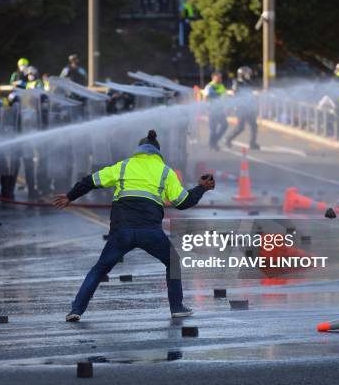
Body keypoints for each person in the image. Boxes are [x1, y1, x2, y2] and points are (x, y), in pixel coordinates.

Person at [53, 130, 215, 322]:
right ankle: (177, 307)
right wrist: (201, 188)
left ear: (139, 150)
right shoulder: (165, 171)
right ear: (157, 152)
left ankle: (76, 310)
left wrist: (70, 196)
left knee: (99, 269)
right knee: (173, 263)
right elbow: (182, 202)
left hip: (122, 231)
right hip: (150, 231)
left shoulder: (124, 166)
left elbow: (91, 181)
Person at [225, 66, 259, 150]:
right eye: (246, 73)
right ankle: (228, 139)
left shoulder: (249, 82)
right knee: (240, 127)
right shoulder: (237, 82)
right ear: (241, 74)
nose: (248, 75)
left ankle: (252, 143)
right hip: (241, 108)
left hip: (249, 108)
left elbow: (252, 93)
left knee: (254, 126)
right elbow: (236, 94)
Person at [202, 71, 228, 151]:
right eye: (219, 77)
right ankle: (212, 144)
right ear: (214, 78)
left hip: (220, 110)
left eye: (221, 77)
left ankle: (214, 141)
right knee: (213, 129)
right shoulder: (210, 86)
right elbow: (205, 98)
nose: (221, 78)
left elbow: (224, 97)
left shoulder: (221, 86)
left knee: (224, 125)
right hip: (212, 111)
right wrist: (207, 109)